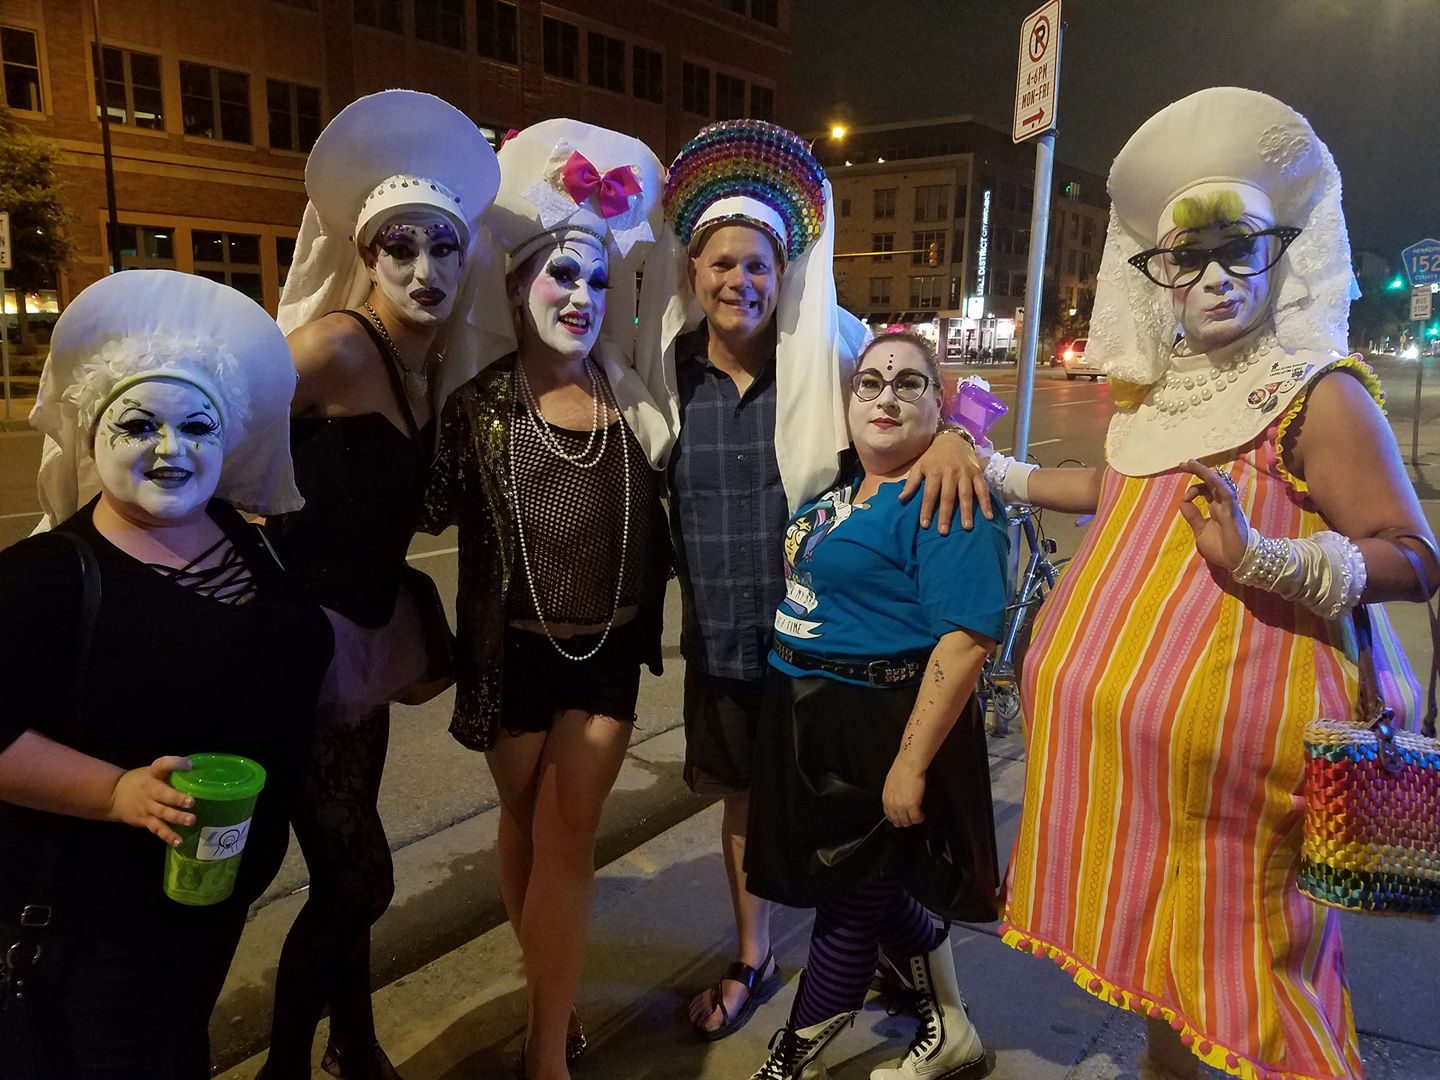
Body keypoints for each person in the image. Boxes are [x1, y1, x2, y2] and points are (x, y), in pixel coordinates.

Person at [988, 88, 1440, 1080]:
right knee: (1172, 977)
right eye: (1185, 258)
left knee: (1266, 995)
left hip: (1247, 796)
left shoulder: (1321, 394)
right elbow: (1122, 491)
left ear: (1281, 251)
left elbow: (1414, 555)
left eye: (1238, 247)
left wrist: (1266, 559)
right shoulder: (1156, 396)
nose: (1213, 278)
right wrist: (994, 469)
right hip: (1143, 781)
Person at [635, 119, 991, 1040]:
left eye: (757, 264)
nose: (740, 281)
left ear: (783, 270)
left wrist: (954, 436)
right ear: (692, 272)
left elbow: (910, 396)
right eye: (721, 263)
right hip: (722, 640)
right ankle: (754, 955)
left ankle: (883, 949)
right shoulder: (663, 372)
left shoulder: (829, 354)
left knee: (854, 815)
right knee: (745, 806)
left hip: (833, 651)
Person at [0, 269, 332, 1080]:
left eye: (197, 426)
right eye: (139, 425)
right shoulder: (46, 578)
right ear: (92, 436)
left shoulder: (247, 540)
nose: (171, 449)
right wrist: (115, 791)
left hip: (212, 899)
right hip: (96, 928)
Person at [422, 119, 673, 1080]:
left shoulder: (635, 403)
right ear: (517, 286)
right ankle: (550, 1002)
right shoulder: (474, 407)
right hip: (513, 661)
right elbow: (409, 506)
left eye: (598, 281)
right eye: (562, 275)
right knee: (525, 826)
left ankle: (543, 1052)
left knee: (569, 837)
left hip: (607, 658)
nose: (581, 296)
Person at [260, 90, 502, 1080]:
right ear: (365, 256)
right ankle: (284, 1067)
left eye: (443, 248)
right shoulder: (330, 347)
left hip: (362, 641)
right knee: (359, 877)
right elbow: (217, 447)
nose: (423, 269)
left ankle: (353, 1047)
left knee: (342, 868)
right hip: (296, 650)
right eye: (399, 248)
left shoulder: (419, 362)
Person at [740, 331, 1007, 1080]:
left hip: (880, 724)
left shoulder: (949, 495)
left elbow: (966, 640)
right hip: (810, 720)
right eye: (870, 382)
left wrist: (910, 763)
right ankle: (953, 1029)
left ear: (939, 403)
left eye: (910, 383)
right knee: (869, 885)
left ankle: (791, 1060)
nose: (885, 396)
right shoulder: (846, 484)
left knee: (850, 902)